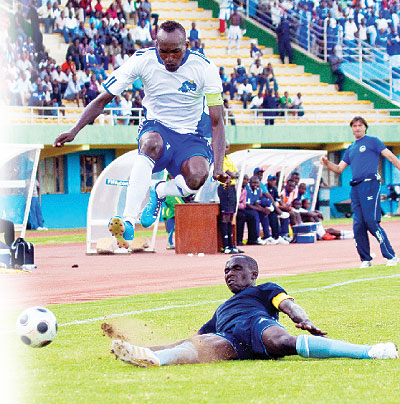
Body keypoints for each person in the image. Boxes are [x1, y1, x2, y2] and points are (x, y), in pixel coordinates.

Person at [54, 20, 228, 249]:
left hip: (191, 134)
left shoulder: (204, 68)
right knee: (150, 144)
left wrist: (218, 168)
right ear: (156, 44)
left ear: (187, 45)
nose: (169, 58)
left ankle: (160, 190)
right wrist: (75, 129)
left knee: (196, 178)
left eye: (175, 51)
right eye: (163, 51)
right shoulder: (142, 60)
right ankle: (128, 221)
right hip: (158, 127)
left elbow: (217, 121)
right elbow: (103, 99)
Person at [108, 255, 399, 367]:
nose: (229, 274)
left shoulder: (263, 290)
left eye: (236, 268)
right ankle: (153, 359)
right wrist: (139, 347)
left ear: (253, 273)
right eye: (226, 270)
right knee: (204, 345)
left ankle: (368, 350)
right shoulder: (220, 310)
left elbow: (287, 304)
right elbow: (192, 339)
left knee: (279, 341)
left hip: (257, 325)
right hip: (232, 339)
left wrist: (304, 319)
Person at [321, 116, 400, 268]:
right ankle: (365, 259)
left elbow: (390, 157)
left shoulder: (373, 141)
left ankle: (391, 256)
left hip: (370, 184)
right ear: (351, 128)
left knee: (371, 221)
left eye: (360, 125)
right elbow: (338, 169)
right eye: (354, 126)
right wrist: (326, 162)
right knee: (358, 224)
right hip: (355, 187)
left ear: (365, 127)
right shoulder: (350, 148)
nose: (357, 128)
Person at [218, 142, 243, 254]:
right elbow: (232, 174)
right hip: (225, 188)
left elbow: (236, 173)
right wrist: (235, 175)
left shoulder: (229, 158)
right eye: (224, 146)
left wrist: (235, 174)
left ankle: (232, 244)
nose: (226, 149)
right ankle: (226, 245)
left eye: (227, 147)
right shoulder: (220, 159)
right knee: (225, 216)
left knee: (231, 215)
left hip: (232, 188)